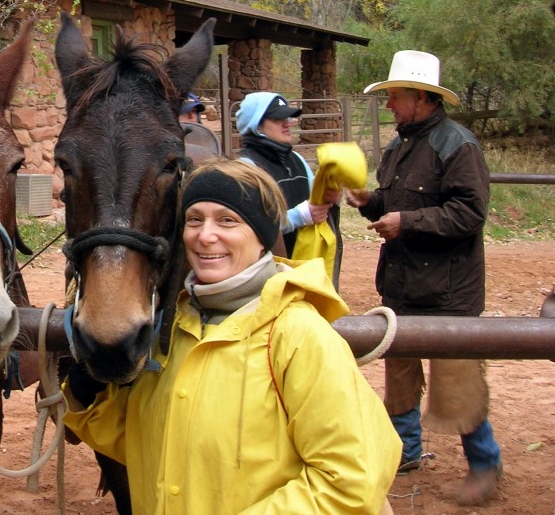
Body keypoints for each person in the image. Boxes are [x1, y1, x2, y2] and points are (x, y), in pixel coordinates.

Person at [64, 158, 400, 514]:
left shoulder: (299, 335)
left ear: (261, 235)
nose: (205, 235)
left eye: (228, 220)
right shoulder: (177, 329)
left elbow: (351, 481)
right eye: (195, 220)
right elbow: (148, 444)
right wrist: (86, 397)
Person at [346, 50, 503, 507]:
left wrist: (405, 223)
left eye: (395, 97)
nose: (390, 105)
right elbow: (396, 203)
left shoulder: (458, 145)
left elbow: (470, 213)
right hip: (402, 283)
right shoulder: (398, 147)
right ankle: (406, 452)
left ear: (421, 98)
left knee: (458, 382)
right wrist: (369, 201)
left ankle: (485, 462)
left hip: (449, 290)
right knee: (400, 376)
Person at [235, 92, 336, 258]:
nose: (287, 124)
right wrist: (299, 216)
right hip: (266, 268)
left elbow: (315, 204)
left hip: (304, 262)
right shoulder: (245, 167)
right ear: (256, 126)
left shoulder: (297, 159)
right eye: (277, 119)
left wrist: (329, 196)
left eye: (287, 118)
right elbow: (248, 223)